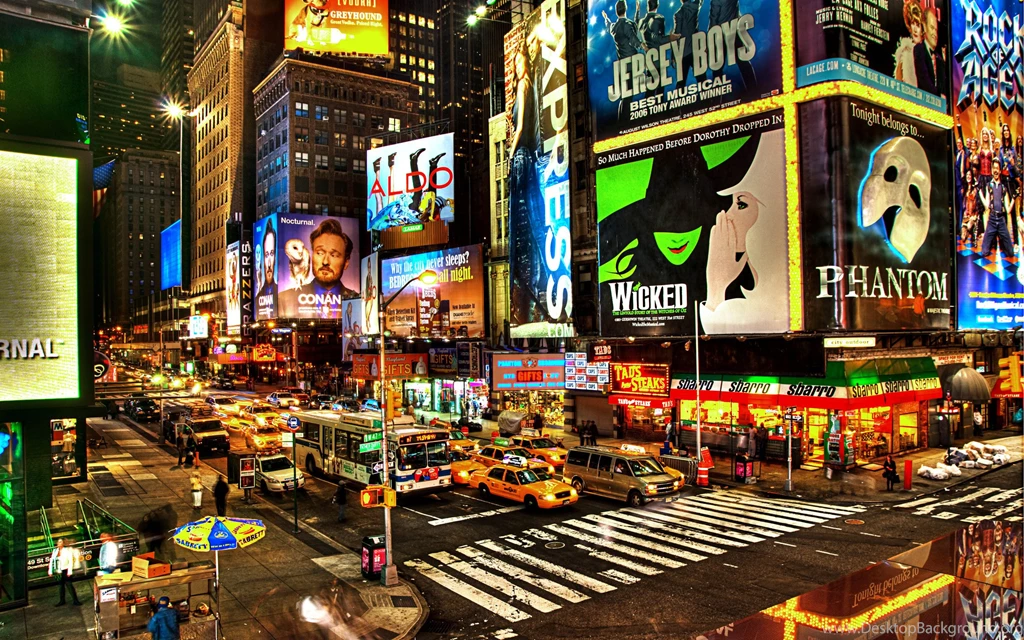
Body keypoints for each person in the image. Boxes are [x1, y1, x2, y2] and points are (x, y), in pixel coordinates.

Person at [278, 219, 358, 317]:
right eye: (320, 253)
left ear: (346, 263)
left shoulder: (358, 300)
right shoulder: (284, 300)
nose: (325, 262)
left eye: (334, 255)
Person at [979, 159, 1016, 259]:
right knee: (984, 252)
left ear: (1000, 171)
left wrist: (1014, 198)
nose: (995, 171)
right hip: (992, 220)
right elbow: (987, 205)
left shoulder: (1003, 188)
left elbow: (1008, 210)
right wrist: (979, 193)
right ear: (991, 170)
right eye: (993, 168)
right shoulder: (988, 186)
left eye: (997, 169)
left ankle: (1002, 243)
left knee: (1011, 253)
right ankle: (993, 242)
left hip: (1001, 221)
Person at [912, 8, 946, 98]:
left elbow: (943, 89)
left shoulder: (940, 60)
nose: (935, 33)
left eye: (936, 30)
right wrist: (938, 96)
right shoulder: (919, 50)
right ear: (924, 26)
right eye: (932, 28)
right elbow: (924, 81)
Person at [893, 0, 923, 87]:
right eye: (913, 23)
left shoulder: (927, 55)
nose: (915, 29)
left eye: (918, 24)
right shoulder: (905, 52)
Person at [48, 538, 82, 606]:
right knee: (61, 586)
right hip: (58, 570)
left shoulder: (67, 550)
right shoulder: (55, 551)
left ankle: (75, 600)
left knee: (69, 585)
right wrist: (50, 570)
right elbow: (51, 561)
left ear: (63, 543)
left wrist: (69, 571)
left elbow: (70, 561)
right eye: (58, 542)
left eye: (60, 542)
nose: (59, 543)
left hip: (65, 569)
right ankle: (62, 600)